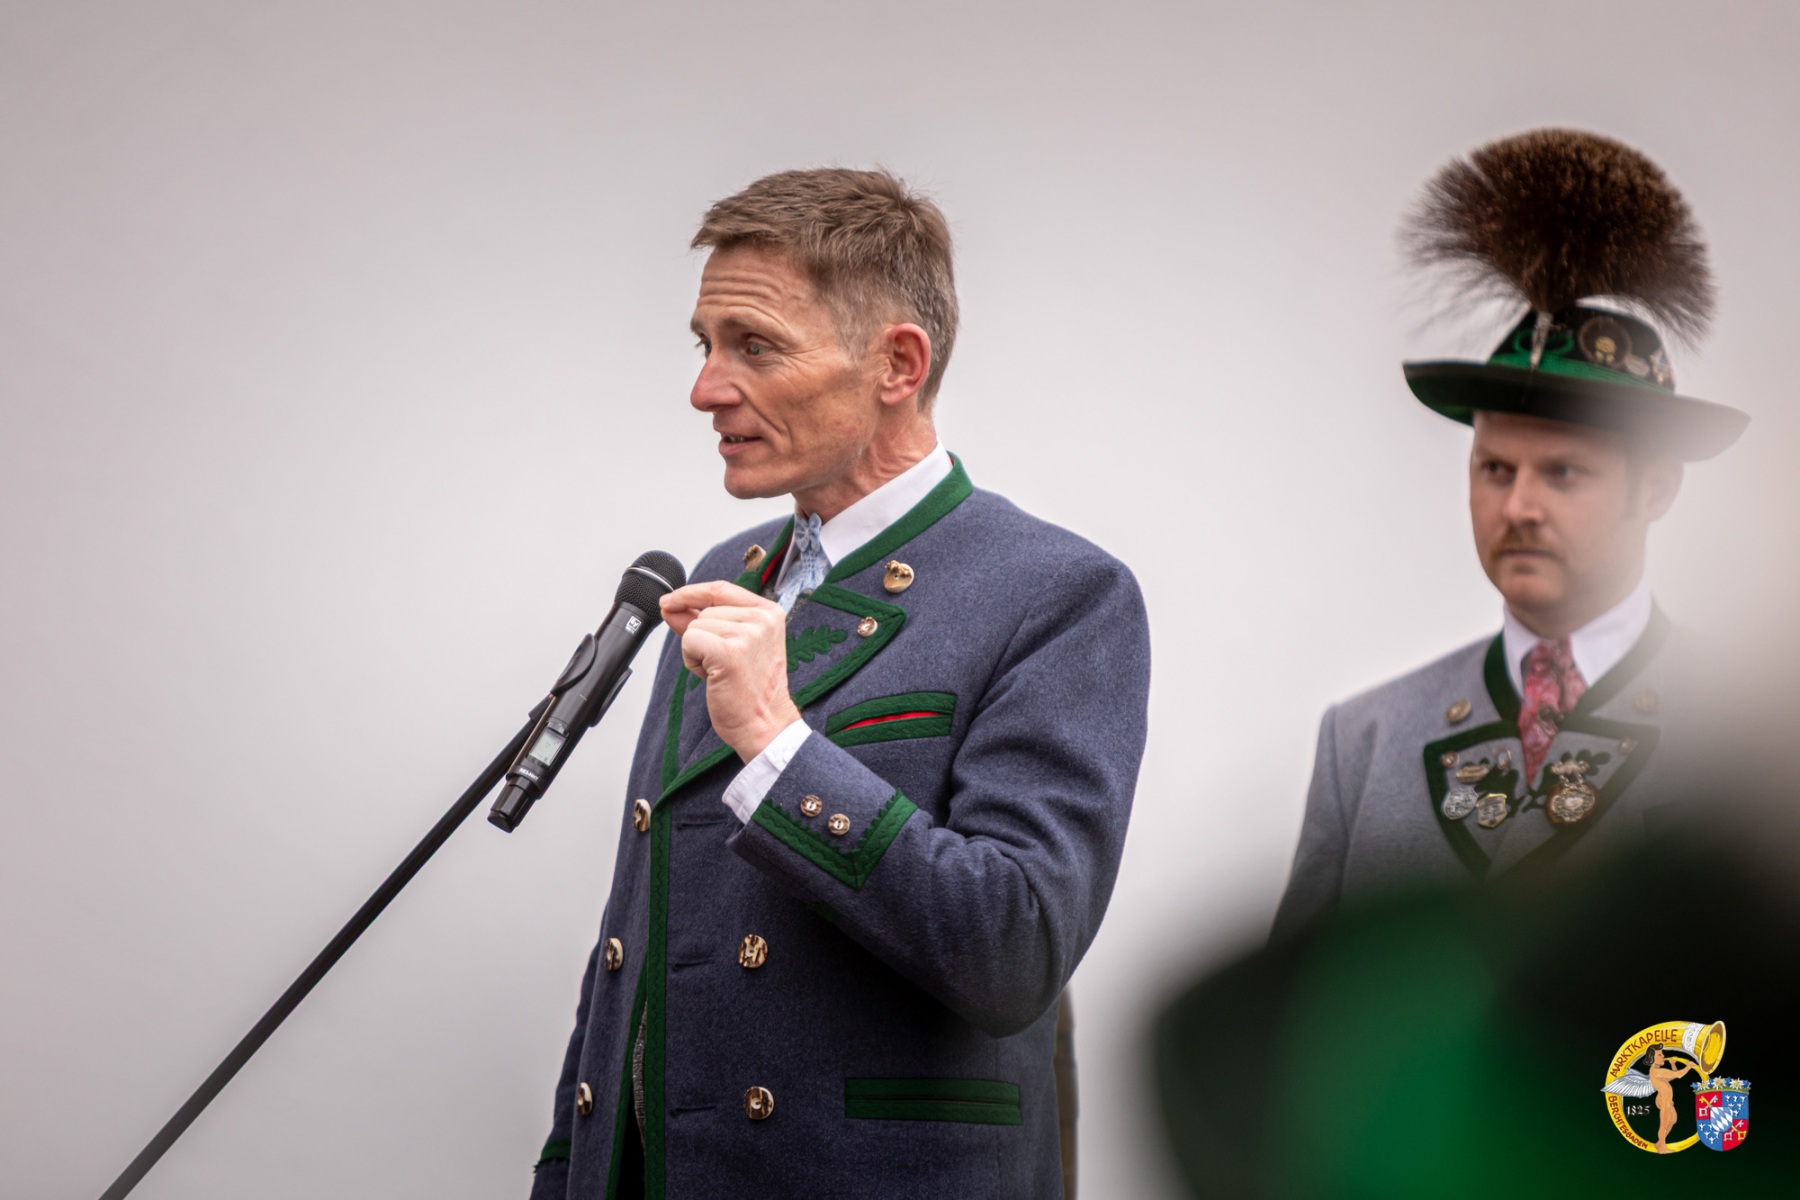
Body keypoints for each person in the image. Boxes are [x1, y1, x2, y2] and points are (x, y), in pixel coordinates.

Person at [526, 168, 1151, 1199]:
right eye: (705, 344)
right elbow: (631, 954)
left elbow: (1018, 948)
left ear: (897, 363)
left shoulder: (1057, 593)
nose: (706, 389)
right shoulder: (727, 575)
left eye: (755, 346)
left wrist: (778, 744)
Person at [1271, 129, 1750, 940]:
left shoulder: (1758, 740)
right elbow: (1296, 1009)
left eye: (1563, 472)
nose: (1519, 504)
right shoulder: (1366, 741)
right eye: (1495, 468)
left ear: (1658, 486)